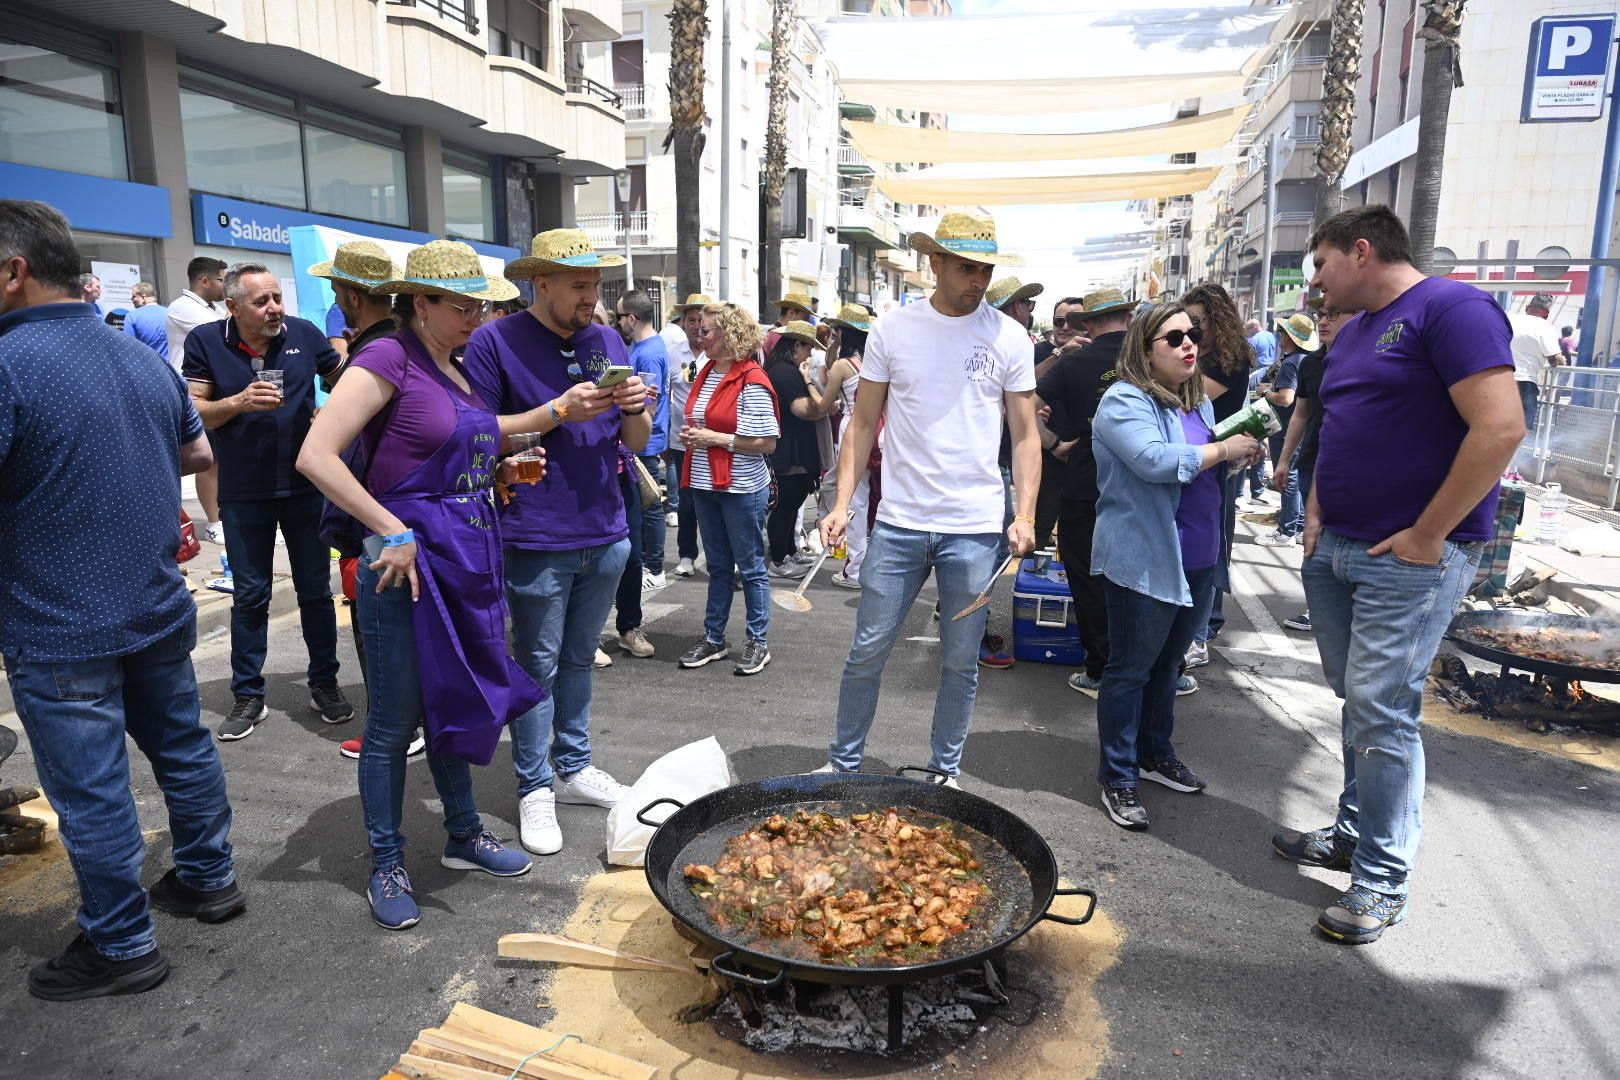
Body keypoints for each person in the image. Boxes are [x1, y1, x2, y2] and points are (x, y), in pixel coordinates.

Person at [0, 200, 243, 1000]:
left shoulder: (7, 365)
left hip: (58, 623)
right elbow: (196, 451)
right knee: (182, 748)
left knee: (92, 789)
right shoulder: (141, 360)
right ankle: (209, 880)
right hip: (151, 605)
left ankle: (121, 944)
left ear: (14, 272)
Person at [1275, 205, 1523, 944]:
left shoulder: (1452, 309)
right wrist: (1316, 511)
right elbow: (1337, 427)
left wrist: (1428, 532)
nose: (1313, 282)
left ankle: (1380, 882)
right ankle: (1353, 833)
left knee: (1383, 710)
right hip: (1339, 548)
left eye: (1319, 265)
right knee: (1357, 700)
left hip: (1410, 558)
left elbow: (1502, 428)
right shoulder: (1350, 334)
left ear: (1360, 252)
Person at [299, 240, 544, 929]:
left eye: (481, 305)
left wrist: (501, 473)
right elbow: (316, 455)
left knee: (454, 702)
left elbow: (452, 451)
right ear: (421, 303)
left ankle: (463, 835)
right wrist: (391, 529)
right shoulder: (384, 357)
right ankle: (386, 863)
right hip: (401, 571)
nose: (477, 316)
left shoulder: (454, 365)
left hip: (463, 560)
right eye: (463, 306)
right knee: (391, 724)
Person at [817, 211, 1039, 783]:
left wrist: (1026, 514)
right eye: (965, 266)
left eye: (985, 269)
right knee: (866, 652)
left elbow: (1025, 434)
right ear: (934, 263)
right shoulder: (896, 328)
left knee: (961, 662)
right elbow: (862, 423)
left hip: (974, 525)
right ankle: (843, 765)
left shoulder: (1009, 336)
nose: (978, 279)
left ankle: (945, 772)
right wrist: (840, 505)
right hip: (898, 522)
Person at [463, 228, 649, 857]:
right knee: (536, 663)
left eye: (596, 284)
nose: (591, 297)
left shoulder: (605, 338)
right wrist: (557, 412)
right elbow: (480, 434)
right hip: (536, 531)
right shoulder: (495, 340)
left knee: (576, 659)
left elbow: (638, 442)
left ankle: (572, 767)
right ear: (539, 284)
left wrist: (634, 406)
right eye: (579, 284)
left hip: (607, 529)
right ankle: (535, 784)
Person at [1090, 303, 1262, 830]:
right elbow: (1155, 462)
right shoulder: (1124, 401)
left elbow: (1200, 466)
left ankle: (1154, 752)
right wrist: (1219, 451)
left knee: (1170, 666)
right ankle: (1117, 776)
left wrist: (1233, 458)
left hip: (1200, 555)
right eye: (1174, 338)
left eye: (1193, 335)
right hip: (1147, 559)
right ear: (1145, 350)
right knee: (1130, 670)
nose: (1190, 344)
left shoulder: (1195, 404)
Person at [183, 263, 353, 741]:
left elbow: (348, 381)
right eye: (262, 301)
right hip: (243, 492)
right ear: (233, 307)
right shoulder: (205, 341)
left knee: (316, 593)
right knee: (251, 595)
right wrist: (236, 402)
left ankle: (324, 683)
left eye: (277, 297)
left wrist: (332, 415)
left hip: (305, 487)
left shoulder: (302, 333)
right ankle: (248, 695)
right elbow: (193, 409)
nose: (275, 308)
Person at [306, 240, 419, 762]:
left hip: (378, 516)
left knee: (379, 632)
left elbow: (326, 454)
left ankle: (391, 727)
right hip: (397, 513)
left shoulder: (377, 353)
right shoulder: (404, 344)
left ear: (350, 296)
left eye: (336, 291)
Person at [1034, 288, 1145, 698]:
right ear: (1128, 320)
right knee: (1135, 571)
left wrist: (1052, 444)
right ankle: (1136, 663)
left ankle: (1099, 666)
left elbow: (1026, 405)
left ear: (1091, 325)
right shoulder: (1147, 360)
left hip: (1086, 473)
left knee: (1085, 570)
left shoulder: (1075, 361)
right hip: (1140, 476)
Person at [676, 303, 781, 675]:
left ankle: (758, 642)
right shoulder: (705, 371)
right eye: (698, 329)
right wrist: (695, 435)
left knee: (750, 567)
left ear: (729, 334)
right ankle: (714, 637)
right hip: (706, 482)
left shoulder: (751, 378)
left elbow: (767, 442)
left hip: (740, 486)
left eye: (705, 330)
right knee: (719, 566)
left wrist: (712, 437)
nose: (698, 335)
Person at [1270, 302, 1358, 634]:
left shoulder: (1368, 361)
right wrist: (1283, 460)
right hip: (1312, 465)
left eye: (1334, 313)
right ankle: (1320, 608)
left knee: (1344, 539)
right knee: (1316, 539)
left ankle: (1344, 609)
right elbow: (1301, 414)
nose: (1324, 320)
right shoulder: (1311, 364)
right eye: (1322, 314)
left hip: (1352, 471)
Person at [1181, 282, 1255, 671]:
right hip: (1198, 462)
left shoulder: (1228, 359)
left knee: (1210, 548)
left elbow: (1186, 397)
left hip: (1217, 463)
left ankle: (1200, 632)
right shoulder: (1198, 355)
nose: (1191, 332)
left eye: (1196, 323)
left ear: (1217, 320)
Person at [762, 320, 832, 578]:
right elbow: (804, 410)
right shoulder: (785, 373)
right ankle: (779, 559)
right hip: (790, 452)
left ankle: (788, 551)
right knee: (785, 506)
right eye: (808, 348)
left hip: (793, 450)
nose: (810, 354)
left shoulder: (782, 370)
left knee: (790, 506)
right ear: (796, 345)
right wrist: (820, 398)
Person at [168, 257, 229, 542]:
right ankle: (214, 523)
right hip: (191, 397)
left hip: (214, 393)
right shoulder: (182, 308)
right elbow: (224, 331)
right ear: (205, 280)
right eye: (222, 280)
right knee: (209, 461)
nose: (226, 287)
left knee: (220, 460)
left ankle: (222, 517)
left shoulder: (214, 308)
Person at [815, 304, 875, 589]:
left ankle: (855, 570)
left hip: (851, 429)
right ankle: (864, 566)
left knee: (853, 501)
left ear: (841, 332)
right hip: (879, 431)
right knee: (870, 499)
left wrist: (807, 382)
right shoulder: (872, 362)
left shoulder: (842, 366)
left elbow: (826, 406)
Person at [616, 289, 672, 592]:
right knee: (647, 505)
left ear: (632, 318)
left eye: (620, 317)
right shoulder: (651, 346)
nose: (618, 323)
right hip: (648, 440)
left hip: (645, 442)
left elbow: (648, 402)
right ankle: (653, 564)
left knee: (648, 506)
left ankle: (654, 567)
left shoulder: (648, 352)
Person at [1255, 312, 1319, 548]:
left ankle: (1287, 530)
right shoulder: (1307, 360)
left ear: (1288, 338)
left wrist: (1266, 393)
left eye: (1282, 332)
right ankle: (1298, 526)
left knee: (1287, 477)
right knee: (1295, 476)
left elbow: (1286, 398)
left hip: (1286, 429)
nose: (1279, 336)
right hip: (1300, 428)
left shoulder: (1292, 362)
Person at [662, 294, 711, 577]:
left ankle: (716, 555)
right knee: (686, 501)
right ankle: (686, 555)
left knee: (709, 500)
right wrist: (663, 437)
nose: (696, 326)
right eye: (691, 320)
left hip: (710, 439)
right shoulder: (673, 352)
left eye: (701, 320)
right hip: (681, 440)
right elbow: (665, 395)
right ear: (682, 322)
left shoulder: (716, 353)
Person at [1507, 292, 1562, 433]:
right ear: (1546, 313)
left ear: (1527, 307)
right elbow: (1555, 359)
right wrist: (1561, 360)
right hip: (1525, 382)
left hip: (1499, 376)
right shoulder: (1544, 327)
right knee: (1522, 430)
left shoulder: (1509, 318)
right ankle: (1517, 455)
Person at [122, 281, 169, 362]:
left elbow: (128, 347)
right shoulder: (169, 313)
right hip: (171, 368)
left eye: (134, 296)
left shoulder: (132, 316)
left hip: (148, 368)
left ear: (143, 297)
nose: (131, 299)